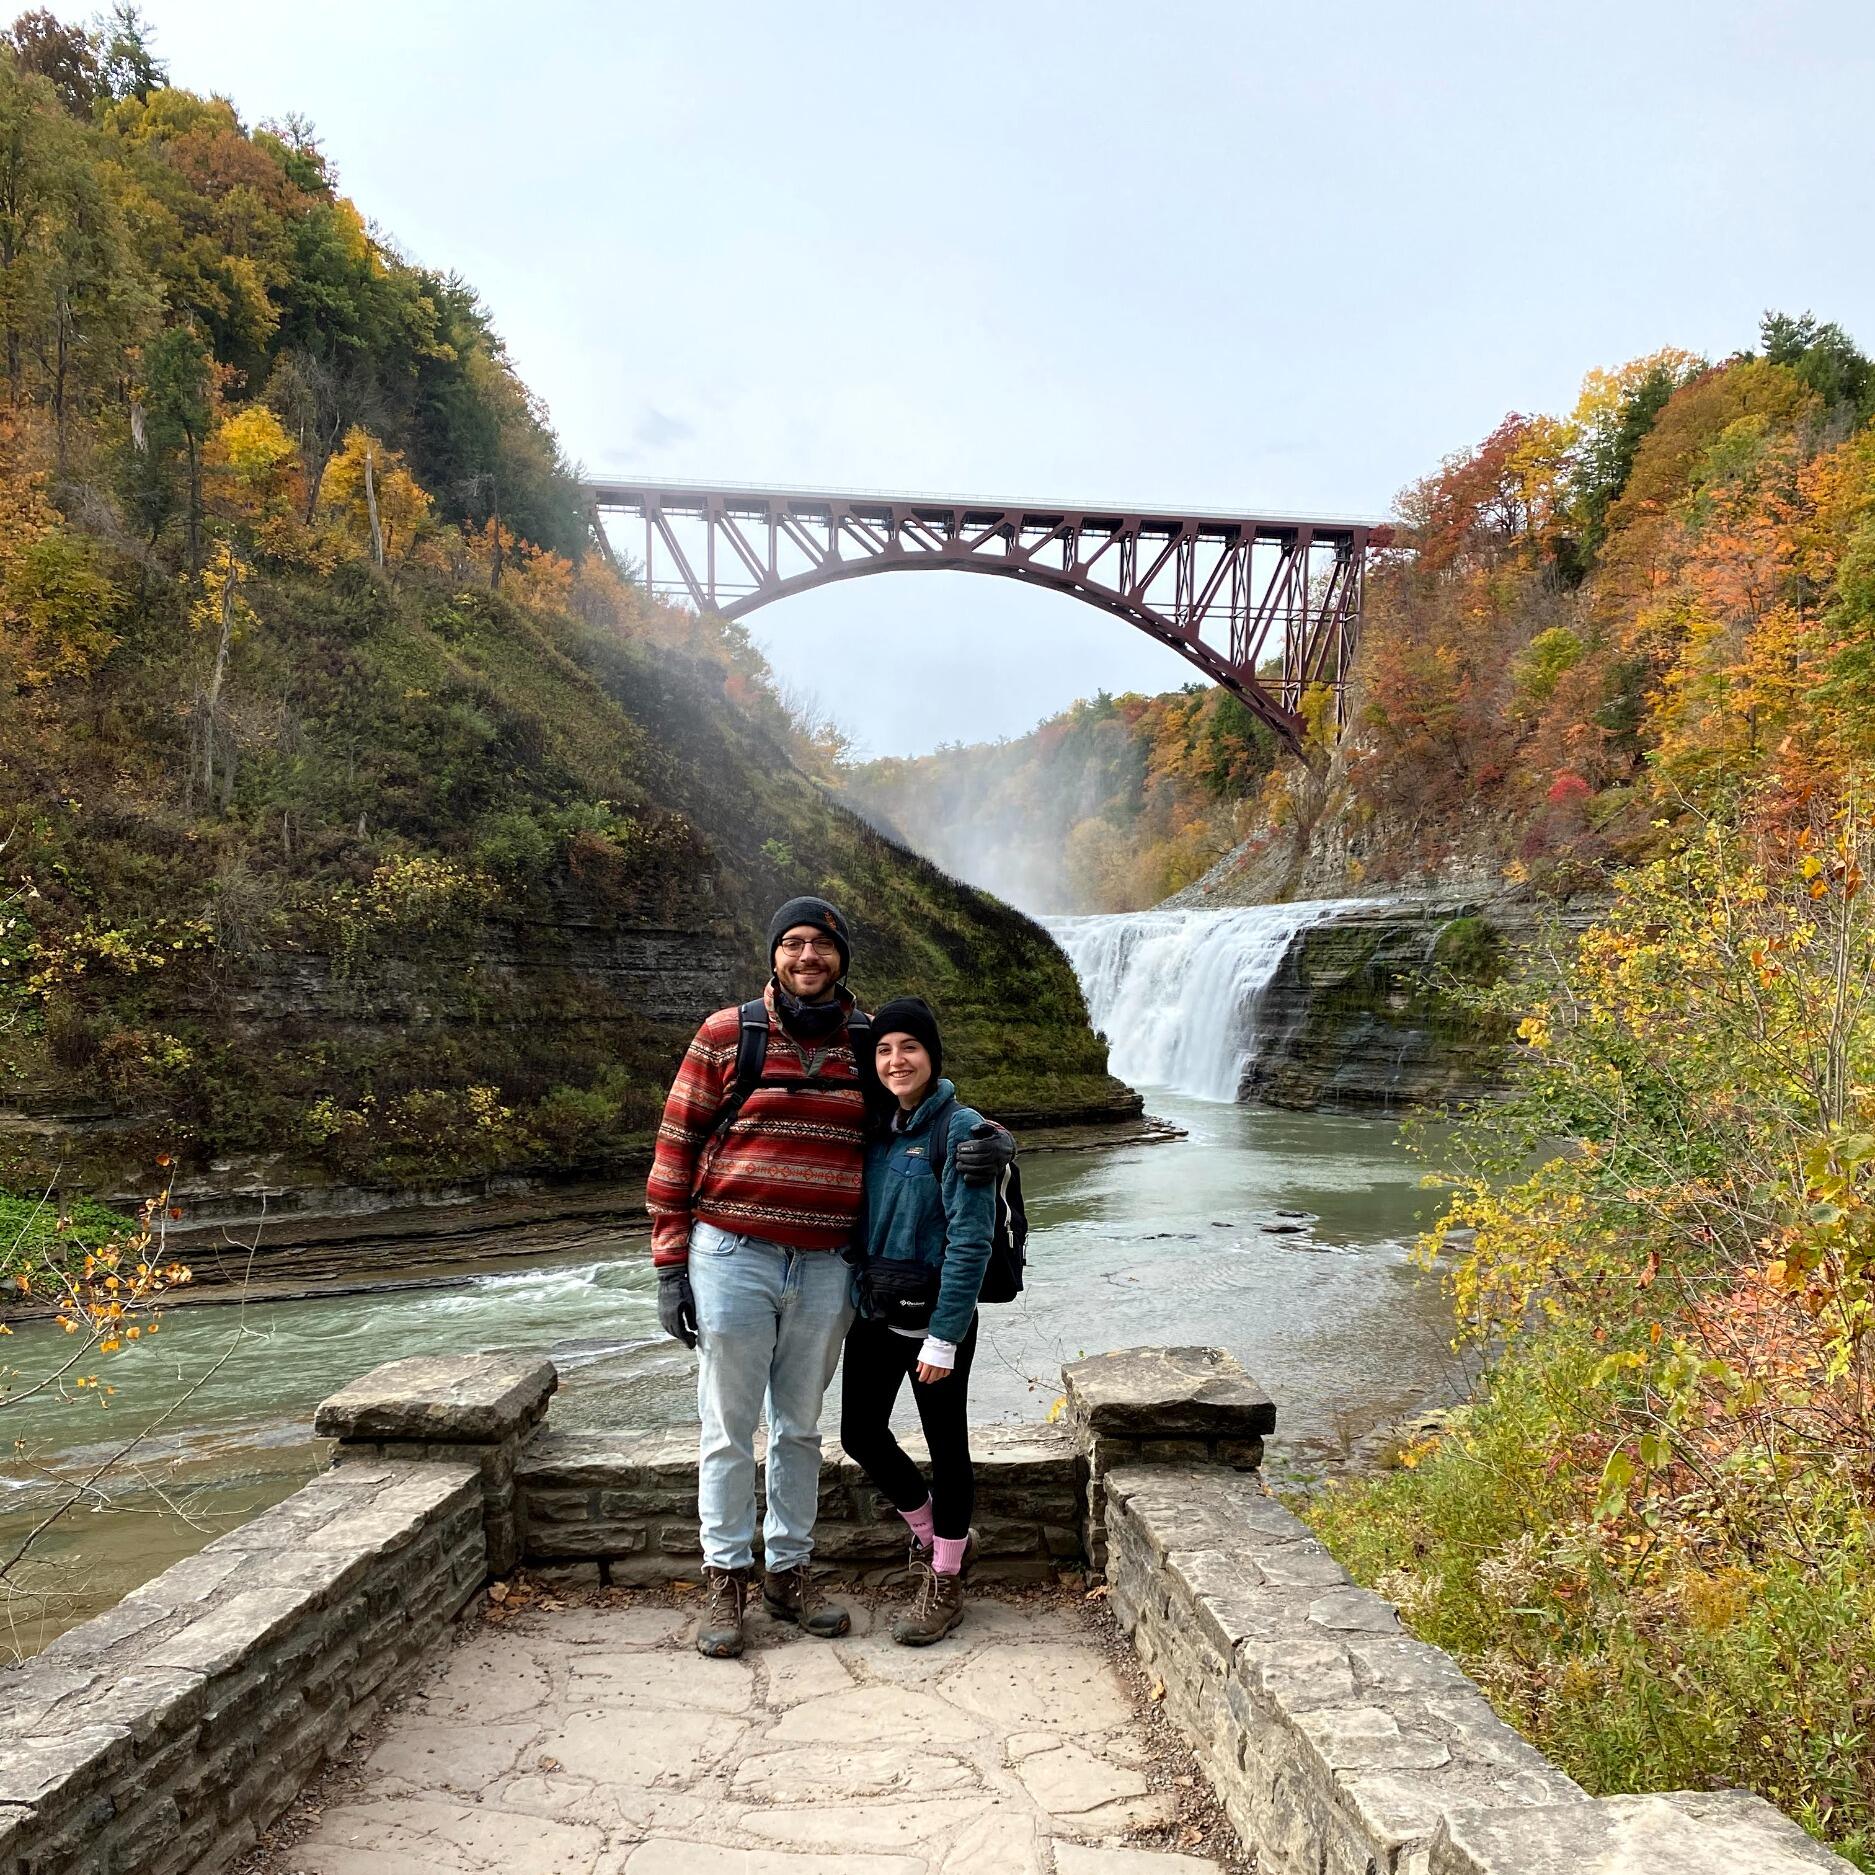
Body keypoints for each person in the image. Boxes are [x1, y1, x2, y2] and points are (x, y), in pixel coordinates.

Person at [646, 899, 1008, 1660]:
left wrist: (997, 1141)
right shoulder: (726, 1034)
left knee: (800, 1427)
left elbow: (922, 1108)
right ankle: (725, 1575)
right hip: (733, 1254)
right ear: (774, 953)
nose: (807, 955)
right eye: (793, 942)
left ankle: (789, 1571)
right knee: (727, 1427)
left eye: (822, 944)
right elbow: (675, 1147)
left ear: (842, 956)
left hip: (826, 1267)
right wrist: (670, 1266)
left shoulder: (864, 1039)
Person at [840, 995, 993, 1646]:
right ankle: (938, 1541)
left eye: (909, 1046)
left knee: (946, 1448)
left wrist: (945, 1336)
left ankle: (946, 1581)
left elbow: (971, 1241)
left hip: (935, 1320)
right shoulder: (878, 1125)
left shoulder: (960, 1129)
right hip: (876, 1311)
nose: (895, 1060)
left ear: (932, 1054)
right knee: (859, 1433)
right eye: (883, 1049)